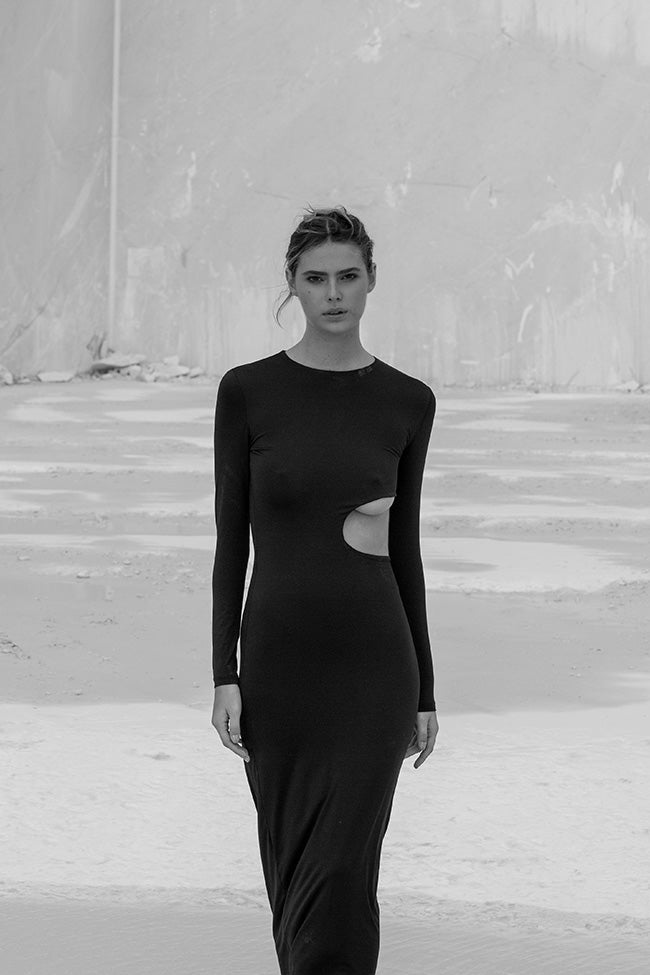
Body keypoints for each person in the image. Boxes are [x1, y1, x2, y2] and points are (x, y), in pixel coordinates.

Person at [210, 206, 438, 975]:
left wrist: (425, 690)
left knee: (342, 877)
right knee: (294, 879)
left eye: (348, 276)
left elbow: (405, 552)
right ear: (293, 285)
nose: (333, 293)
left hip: (375, 670)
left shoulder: (408, 401)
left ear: (372, 281)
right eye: (316, 278)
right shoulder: (247, 391)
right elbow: (230, 544)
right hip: (278, 669)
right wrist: (224, 672)